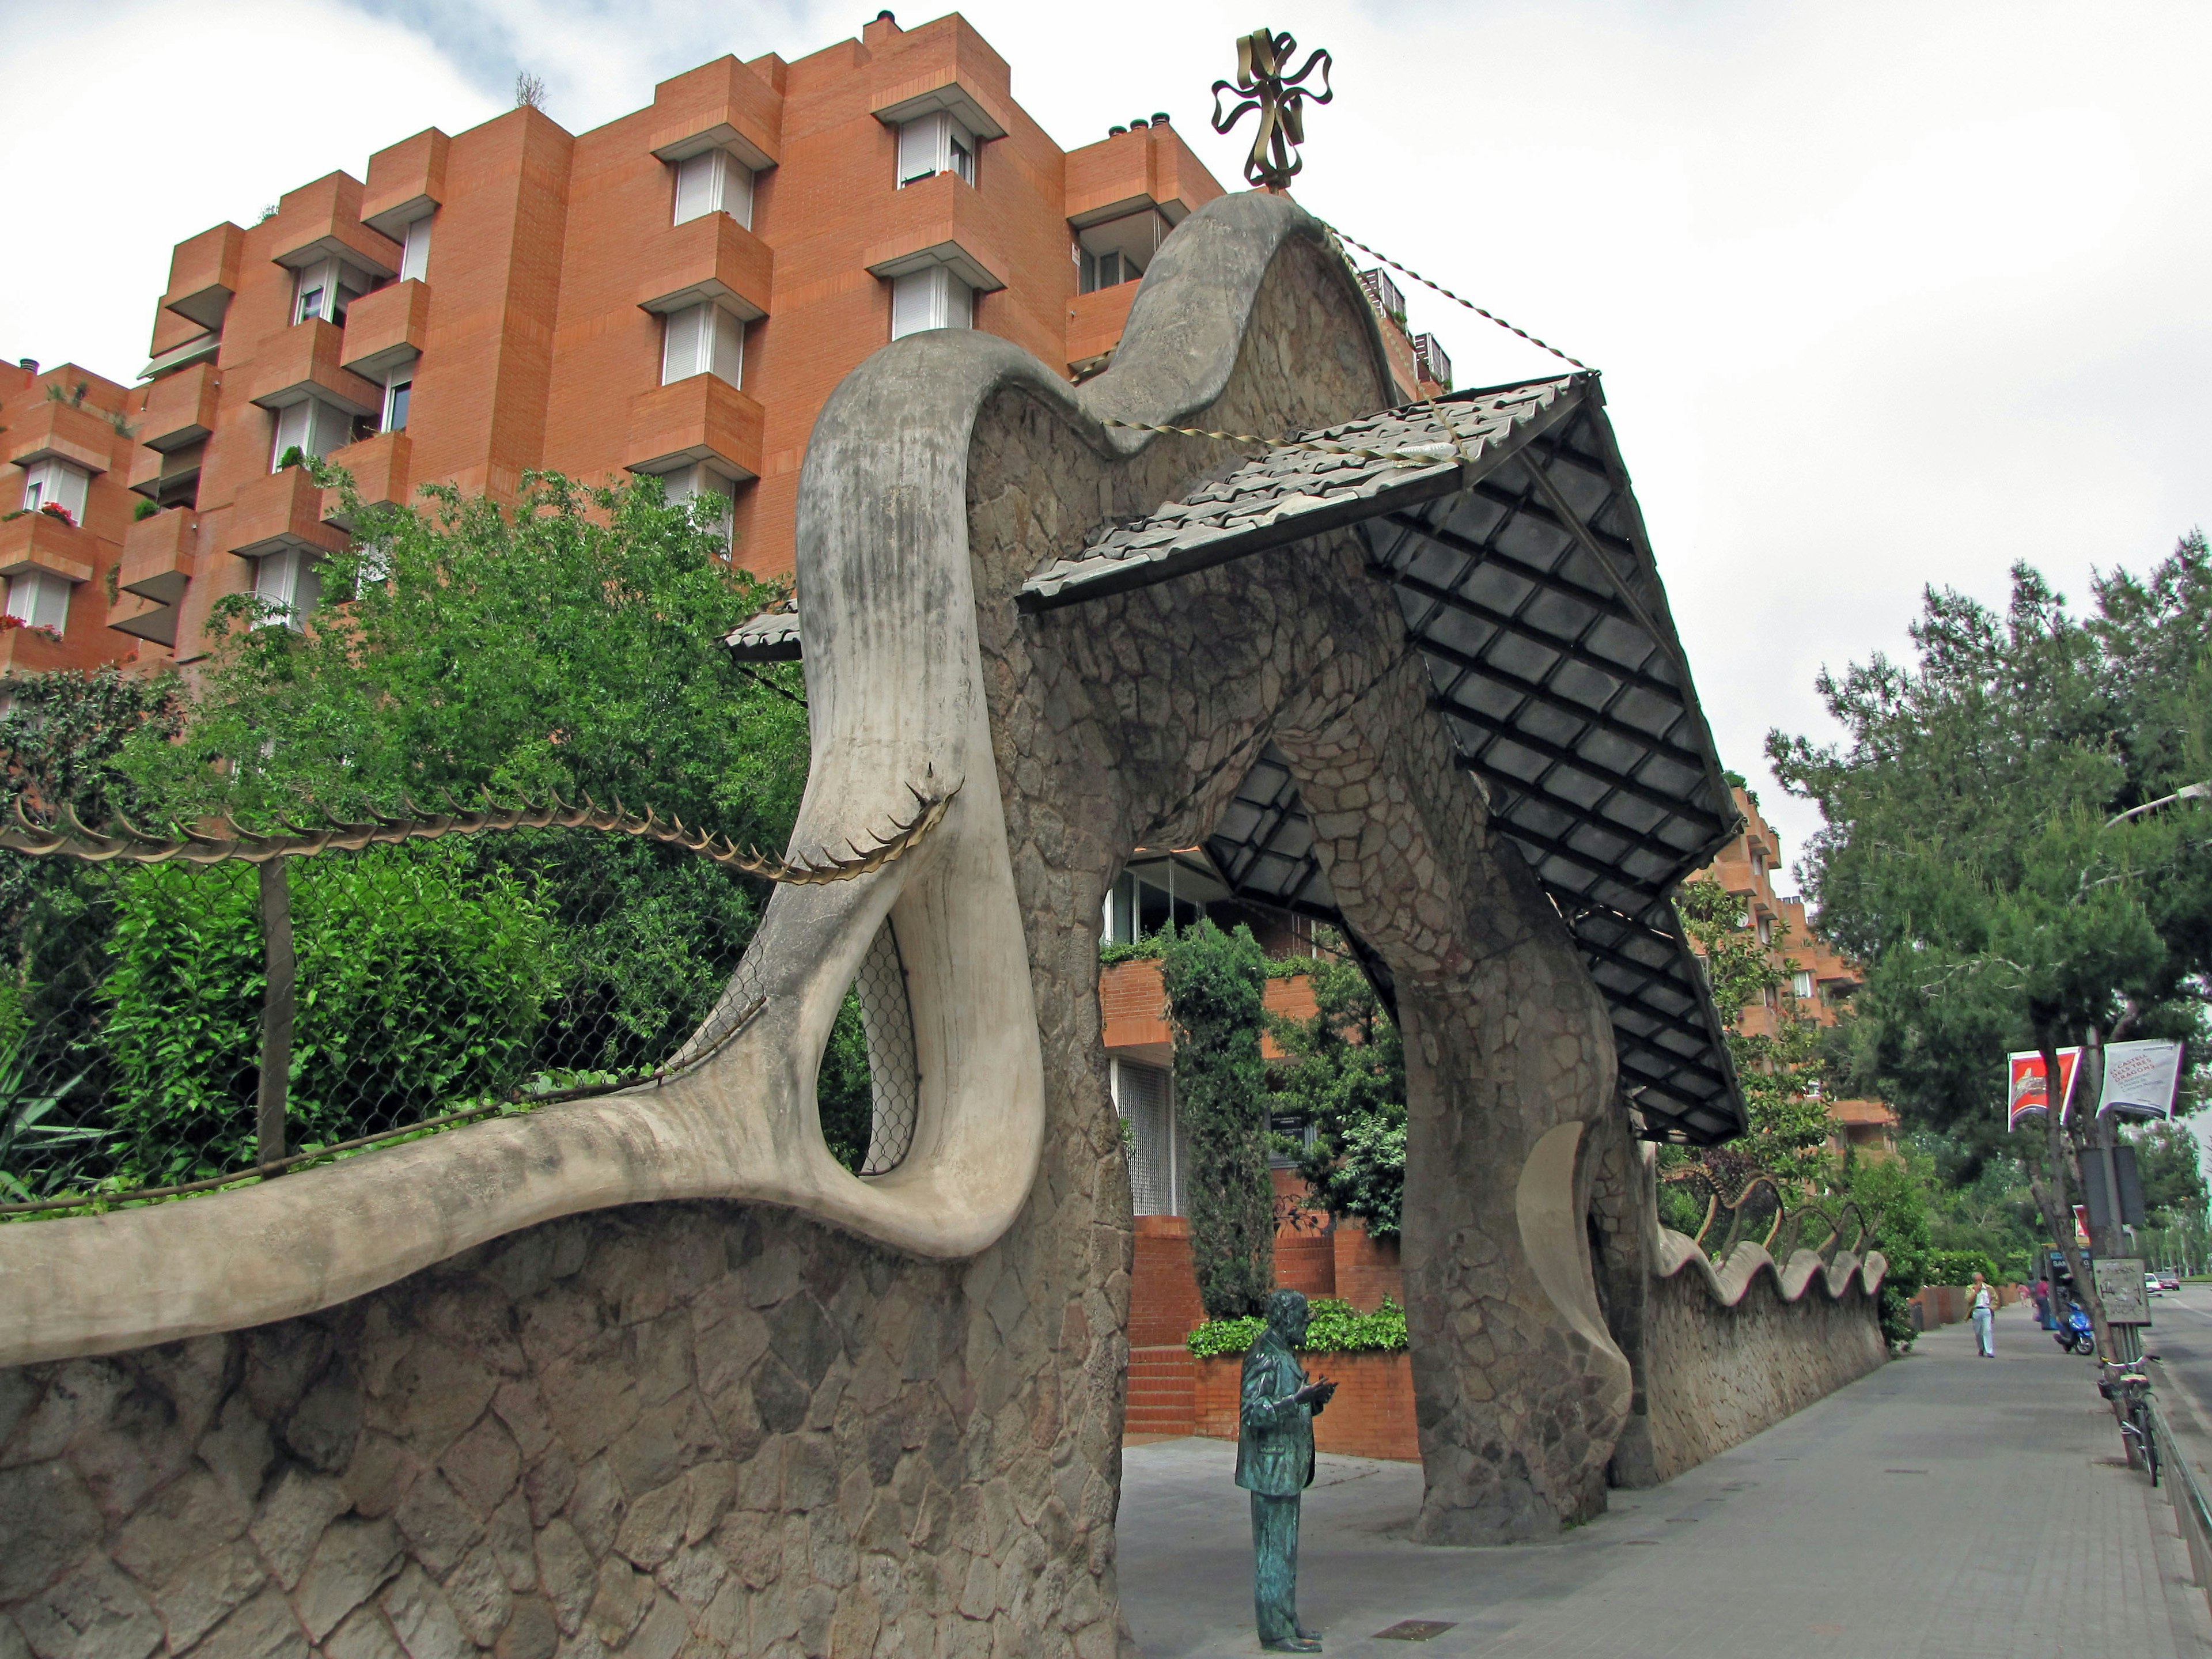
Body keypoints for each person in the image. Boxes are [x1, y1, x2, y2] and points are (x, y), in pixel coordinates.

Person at [1237, 1289, 1339, 1652]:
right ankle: (1275, 1631)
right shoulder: (1265, 1355)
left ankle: (1286, 1618)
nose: (1307, 1323)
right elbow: (1253, 1413)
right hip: (1271, 1470)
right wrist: (1296, 1399)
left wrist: (1312, 1403)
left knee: (1285, 1550)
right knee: (1273, 1552)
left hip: (1286, 1470)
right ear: (1284, 1320)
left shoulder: (1283, 1352)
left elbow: (1282, 1406)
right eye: (1302, 1317)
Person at [1970, 1271, 1996, 1357]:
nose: (1979, 1282)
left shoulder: (1989, 1288)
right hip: (1976, 1311)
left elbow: (1995, 1299)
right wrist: (1975, 1292)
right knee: (1978, 1333)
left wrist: (1991, 1308)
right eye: (1977, 1280)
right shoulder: (1970, 1288)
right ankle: (1981, 1348)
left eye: (1980, 1280)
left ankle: (1990, 1351)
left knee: (1987, 1330)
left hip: (1986, 1311)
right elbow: (1968, 1300)